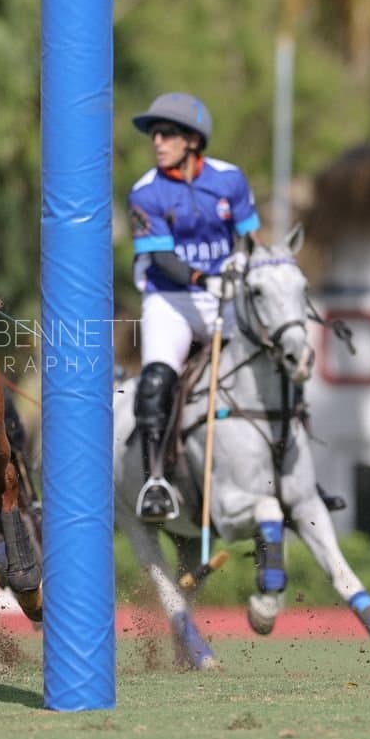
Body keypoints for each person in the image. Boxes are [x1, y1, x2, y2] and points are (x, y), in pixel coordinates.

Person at [126, 92, 260, 521]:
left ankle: (291, 460)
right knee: (156, 378)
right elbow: (164, 259)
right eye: (154, 134)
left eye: (166, 133)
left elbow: (247, 236)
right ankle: (155, 481)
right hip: (172, 298)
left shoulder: (230, 180)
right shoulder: (147, 192)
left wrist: (244, 260)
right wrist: (207, 278)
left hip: (226, 295)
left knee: (271, 358)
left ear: (193, 140)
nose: (157, 140)